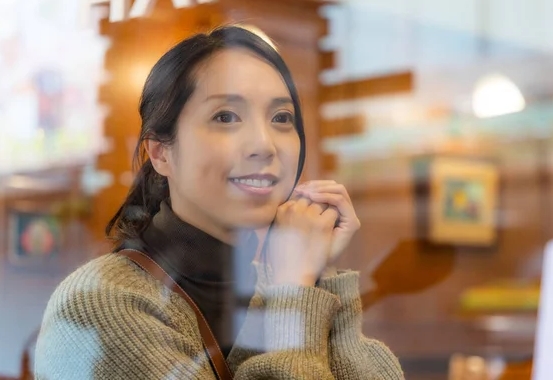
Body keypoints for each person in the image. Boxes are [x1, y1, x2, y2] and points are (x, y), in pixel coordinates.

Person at [34, 25, 404, 379]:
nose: (264, 145)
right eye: (225, 117)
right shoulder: (104, 302)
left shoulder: (273, 283)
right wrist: (294, 291)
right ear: (160, 152)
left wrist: (319, 275)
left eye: (281, 117)